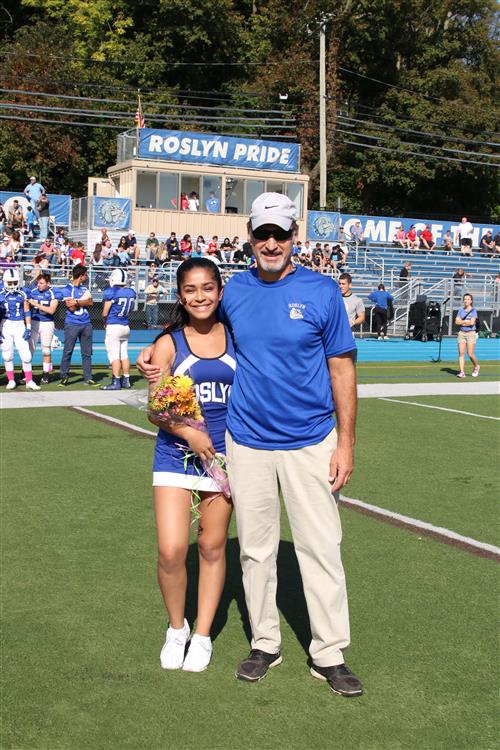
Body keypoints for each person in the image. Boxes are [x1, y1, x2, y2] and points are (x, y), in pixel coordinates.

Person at [138, 192, 363, 697]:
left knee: (320, 549)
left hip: (311, 441)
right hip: (247, 444)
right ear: (250, 238)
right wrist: (154, 353)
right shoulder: (235, 291)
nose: (271, 242)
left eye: (280, 233)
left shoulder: (323, 291)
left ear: (294, 237)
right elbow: (196, 319)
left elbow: (343, 369)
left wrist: (345, 443)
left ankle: (329, 652)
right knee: (256, 552)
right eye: (262, 233)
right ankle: (265, 642)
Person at [148, 257, 235, 672]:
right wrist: (190, 434)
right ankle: (176, 628)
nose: (200, 297)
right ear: (180, 296)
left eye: (207, 288)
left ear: (219, 290)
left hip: (223, 460)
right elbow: (156, 410)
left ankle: (201, 637)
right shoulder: (169, 343)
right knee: (171, 550)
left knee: (212, 547)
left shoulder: (238, 337)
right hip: (175, 455)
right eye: (190, 290)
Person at [0, 267, 40, 390]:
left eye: (14, 282)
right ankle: (11, 380)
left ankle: (29, 380)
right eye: (10, 283)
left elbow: (27, 310)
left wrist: (28, 327)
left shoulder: (23, 292)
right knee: (7, 355)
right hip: (5, 324)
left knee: (26, 354)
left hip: (19, 325)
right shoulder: (1, 293)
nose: (12, 285)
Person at [100, 268, 136, 390]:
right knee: (124, 355)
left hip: (114, 326)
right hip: (125, 326)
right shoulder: (131, 292)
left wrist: (104, 322)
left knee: (114, 355)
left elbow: (105, 313)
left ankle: (116, 382)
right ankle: (126, 380)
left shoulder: (111, 292)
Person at [59, 265, 95, 386]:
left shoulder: (84, 289)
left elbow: (91, 302)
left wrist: (78, 301)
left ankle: (88, 377)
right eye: (85, 275)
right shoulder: (66, 289)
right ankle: (64, 376)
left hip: (86, 324)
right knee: (68, 351)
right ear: (81, 276)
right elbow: (72, 307)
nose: (86, 277)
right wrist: (82, 302)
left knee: (87, 352)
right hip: (72, 324)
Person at [27, 271, 60, 384]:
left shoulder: (53, 292)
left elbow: (51, 310)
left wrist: (35, 304)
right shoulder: (32, 292)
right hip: (34, 322)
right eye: (38, 283)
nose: (38, 285)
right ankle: (25, 373)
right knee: (29, 349)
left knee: (46, 350)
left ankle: (45, 374)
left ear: (48, 283)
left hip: (47, 323)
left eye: (41, 283)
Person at [338, 272, 365, 352]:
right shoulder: (334, 298)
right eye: (339, 284)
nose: (341, 286)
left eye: (343, 284)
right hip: (334, 334)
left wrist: (352, 322)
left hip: (348, 335)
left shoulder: (357, 300)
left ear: (350, 285)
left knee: (348, 362)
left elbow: (362, 317)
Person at [455, 293, 480, 378]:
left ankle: (476, 366)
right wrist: (465, 322)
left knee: (470, 354)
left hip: (470, 334)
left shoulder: (474, 311)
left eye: (468, 299)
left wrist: (462, 322)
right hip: (461, 333)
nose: (466, 300)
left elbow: (472, 323)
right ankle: (462, 372)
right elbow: (456, 322)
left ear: (471, 301)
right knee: (461, 354)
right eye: (465, 299)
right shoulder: (460, 310)